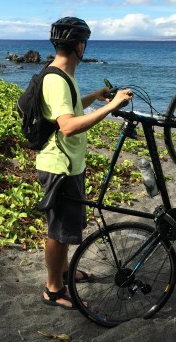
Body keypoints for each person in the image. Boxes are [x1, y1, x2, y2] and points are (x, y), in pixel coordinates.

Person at [36, 16, 132, 310]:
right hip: (59, 167)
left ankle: (64, 272)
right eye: (84, 42)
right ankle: (53, 289)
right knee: (58, 230)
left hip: (68, 164)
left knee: (64, 227)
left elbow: (70, 110)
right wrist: (113, 107)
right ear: (79, 45)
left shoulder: (62, 75)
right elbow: (68, 126)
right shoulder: (56, 80)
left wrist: (98, 97)